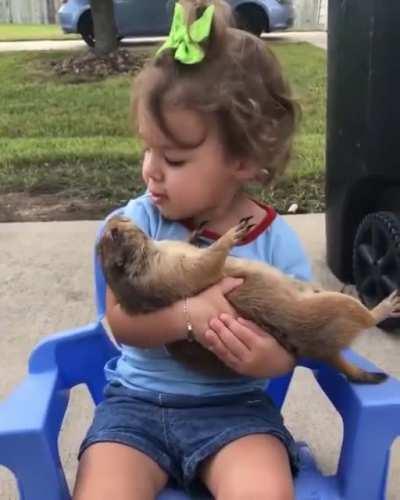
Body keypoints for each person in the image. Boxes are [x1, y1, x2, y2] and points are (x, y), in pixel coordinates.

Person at [73, 1, 312, 498]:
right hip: (135, 408)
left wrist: (266, 358)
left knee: (264, 490)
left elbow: (295, 346)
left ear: (243, 160)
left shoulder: (273, 241)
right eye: (148, 149)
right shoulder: (137, 225)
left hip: (237, 412)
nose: (151, 171)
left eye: (175, 158)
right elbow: (120, 322)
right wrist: (189, 315)